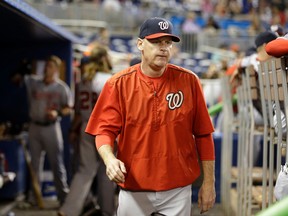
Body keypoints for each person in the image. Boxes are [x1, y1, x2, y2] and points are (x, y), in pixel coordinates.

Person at [85, 17, 216, 215]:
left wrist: (209, 183)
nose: (163, 48)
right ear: (140, 44)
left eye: (167, 43)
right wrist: (109, 159)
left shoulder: (189, 81)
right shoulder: (118, 84)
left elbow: (204, 135)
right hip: (134, 187)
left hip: (177, 189)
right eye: (156, 42)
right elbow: (104, 131)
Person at [58, 44, 115, 216]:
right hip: (105, 129)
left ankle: (68, 210)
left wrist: (73, 130)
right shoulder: (109, 79)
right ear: (104, 58)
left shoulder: (83, 80)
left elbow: (77, 110)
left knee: (85, 170)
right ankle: (108, 210)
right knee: (107, 172)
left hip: (85, 126)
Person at [25, 55, 73, 204]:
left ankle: (63, 197)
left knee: (57, 164)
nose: (47, 68)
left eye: (50, 66)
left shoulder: (61, 87)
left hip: (51, 127)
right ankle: (35, 198)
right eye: (46, 66)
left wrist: (57, 113)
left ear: (56, 69)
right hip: (34, 126)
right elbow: (19, 79)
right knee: (34, 165)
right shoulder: (34, 83)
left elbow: (68, 109)